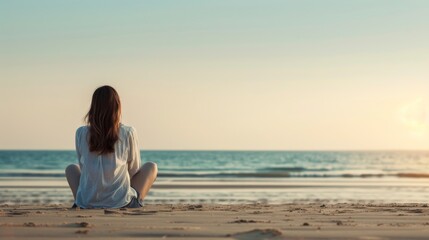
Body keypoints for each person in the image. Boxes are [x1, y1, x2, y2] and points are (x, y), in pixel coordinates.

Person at [65, 85, 157, 208]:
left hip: (87, 201)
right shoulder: (128, 132)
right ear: (117, 107)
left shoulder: (81, 132)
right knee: (151, 167)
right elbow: (134, 169)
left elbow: (83, 168)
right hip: (120, 202)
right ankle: (136, 202)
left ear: (93, 107)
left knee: (71, 168)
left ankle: (81, 202)